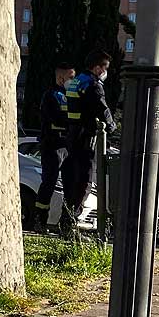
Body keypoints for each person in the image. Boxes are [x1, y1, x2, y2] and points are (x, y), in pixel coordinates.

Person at [62, 50, 115, 235]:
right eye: (105, 68)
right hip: (86, 138)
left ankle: (65, 220)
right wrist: (112, 126)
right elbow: (102, 108)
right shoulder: (93, 85)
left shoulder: (75, 82)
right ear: (97, 67)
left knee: (72, 180)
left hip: (72, 136)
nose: (105, 71)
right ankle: (72, 221)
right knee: (85, 182)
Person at [34, 63, 74, 233]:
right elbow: (56, 119)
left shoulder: (71, 95)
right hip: (53, 145)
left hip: (68, 146)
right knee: (48, 182)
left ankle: (66, 225)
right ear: (60, 78)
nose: (74, 81)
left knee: (71, 186)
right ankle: (40, 221)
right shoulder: (51, 96)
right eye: (71, 78)